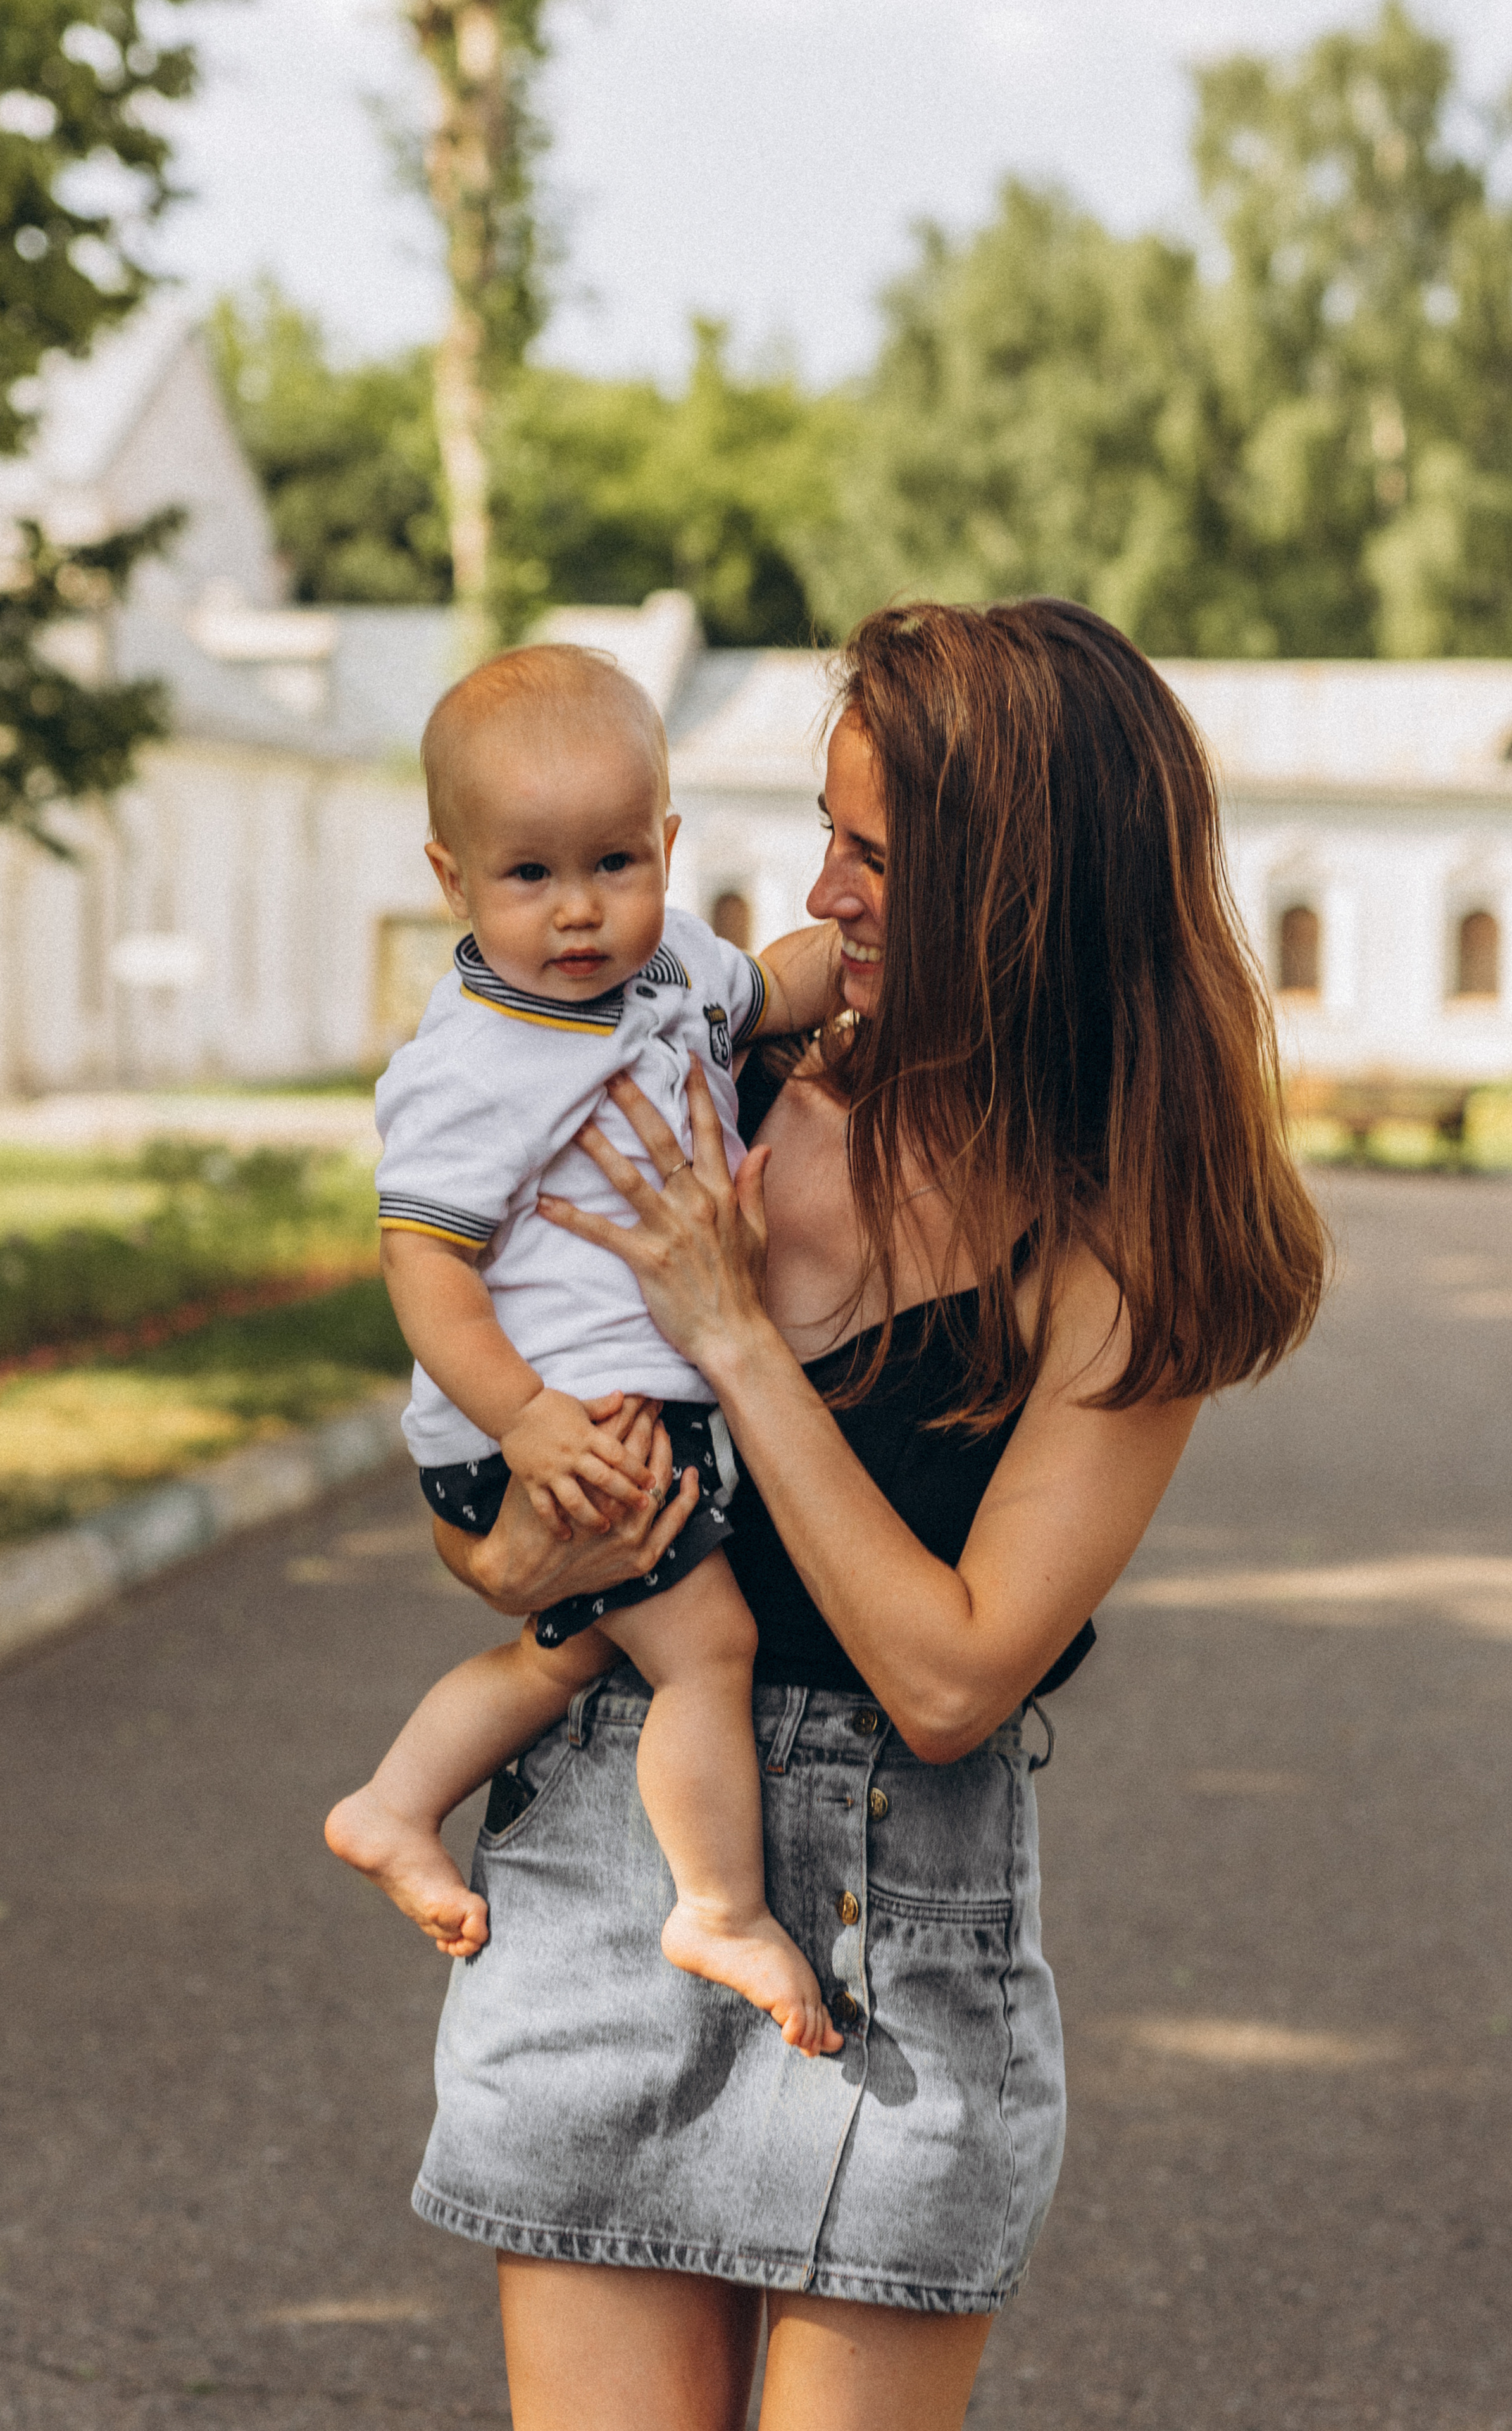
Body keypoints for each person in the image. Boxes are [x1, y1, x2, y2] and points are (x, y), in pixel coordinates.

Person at [412, 600, 1328, 2431]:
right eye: (828, 837)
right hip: (608, 1875)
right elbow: (500, 1487)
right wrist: (510, 1558)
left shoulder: (1125, 1240)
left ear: (1027, 894)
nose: (824, 896)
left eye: (882, 858)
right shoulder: (703, 1072)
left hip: (897, 1943)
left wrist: (735, 1336)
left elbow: (952, 1678)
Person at [325, 643, 844, 2056]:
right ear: (452, 880)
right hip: (552, 1426)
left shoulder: (671, 966)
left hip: (602, 1413)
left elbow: (778, 990)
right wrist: (525, 1419)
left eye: (615, 863)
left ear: (667, 847)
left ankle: (391, 1805)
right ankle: (718, 1908)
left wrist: (878, 955)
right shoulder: (475, 1061)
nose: (578, 910)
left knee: (566, 1657)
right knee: (709, 1648)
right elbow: (423, 1266)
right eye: (529, 875)